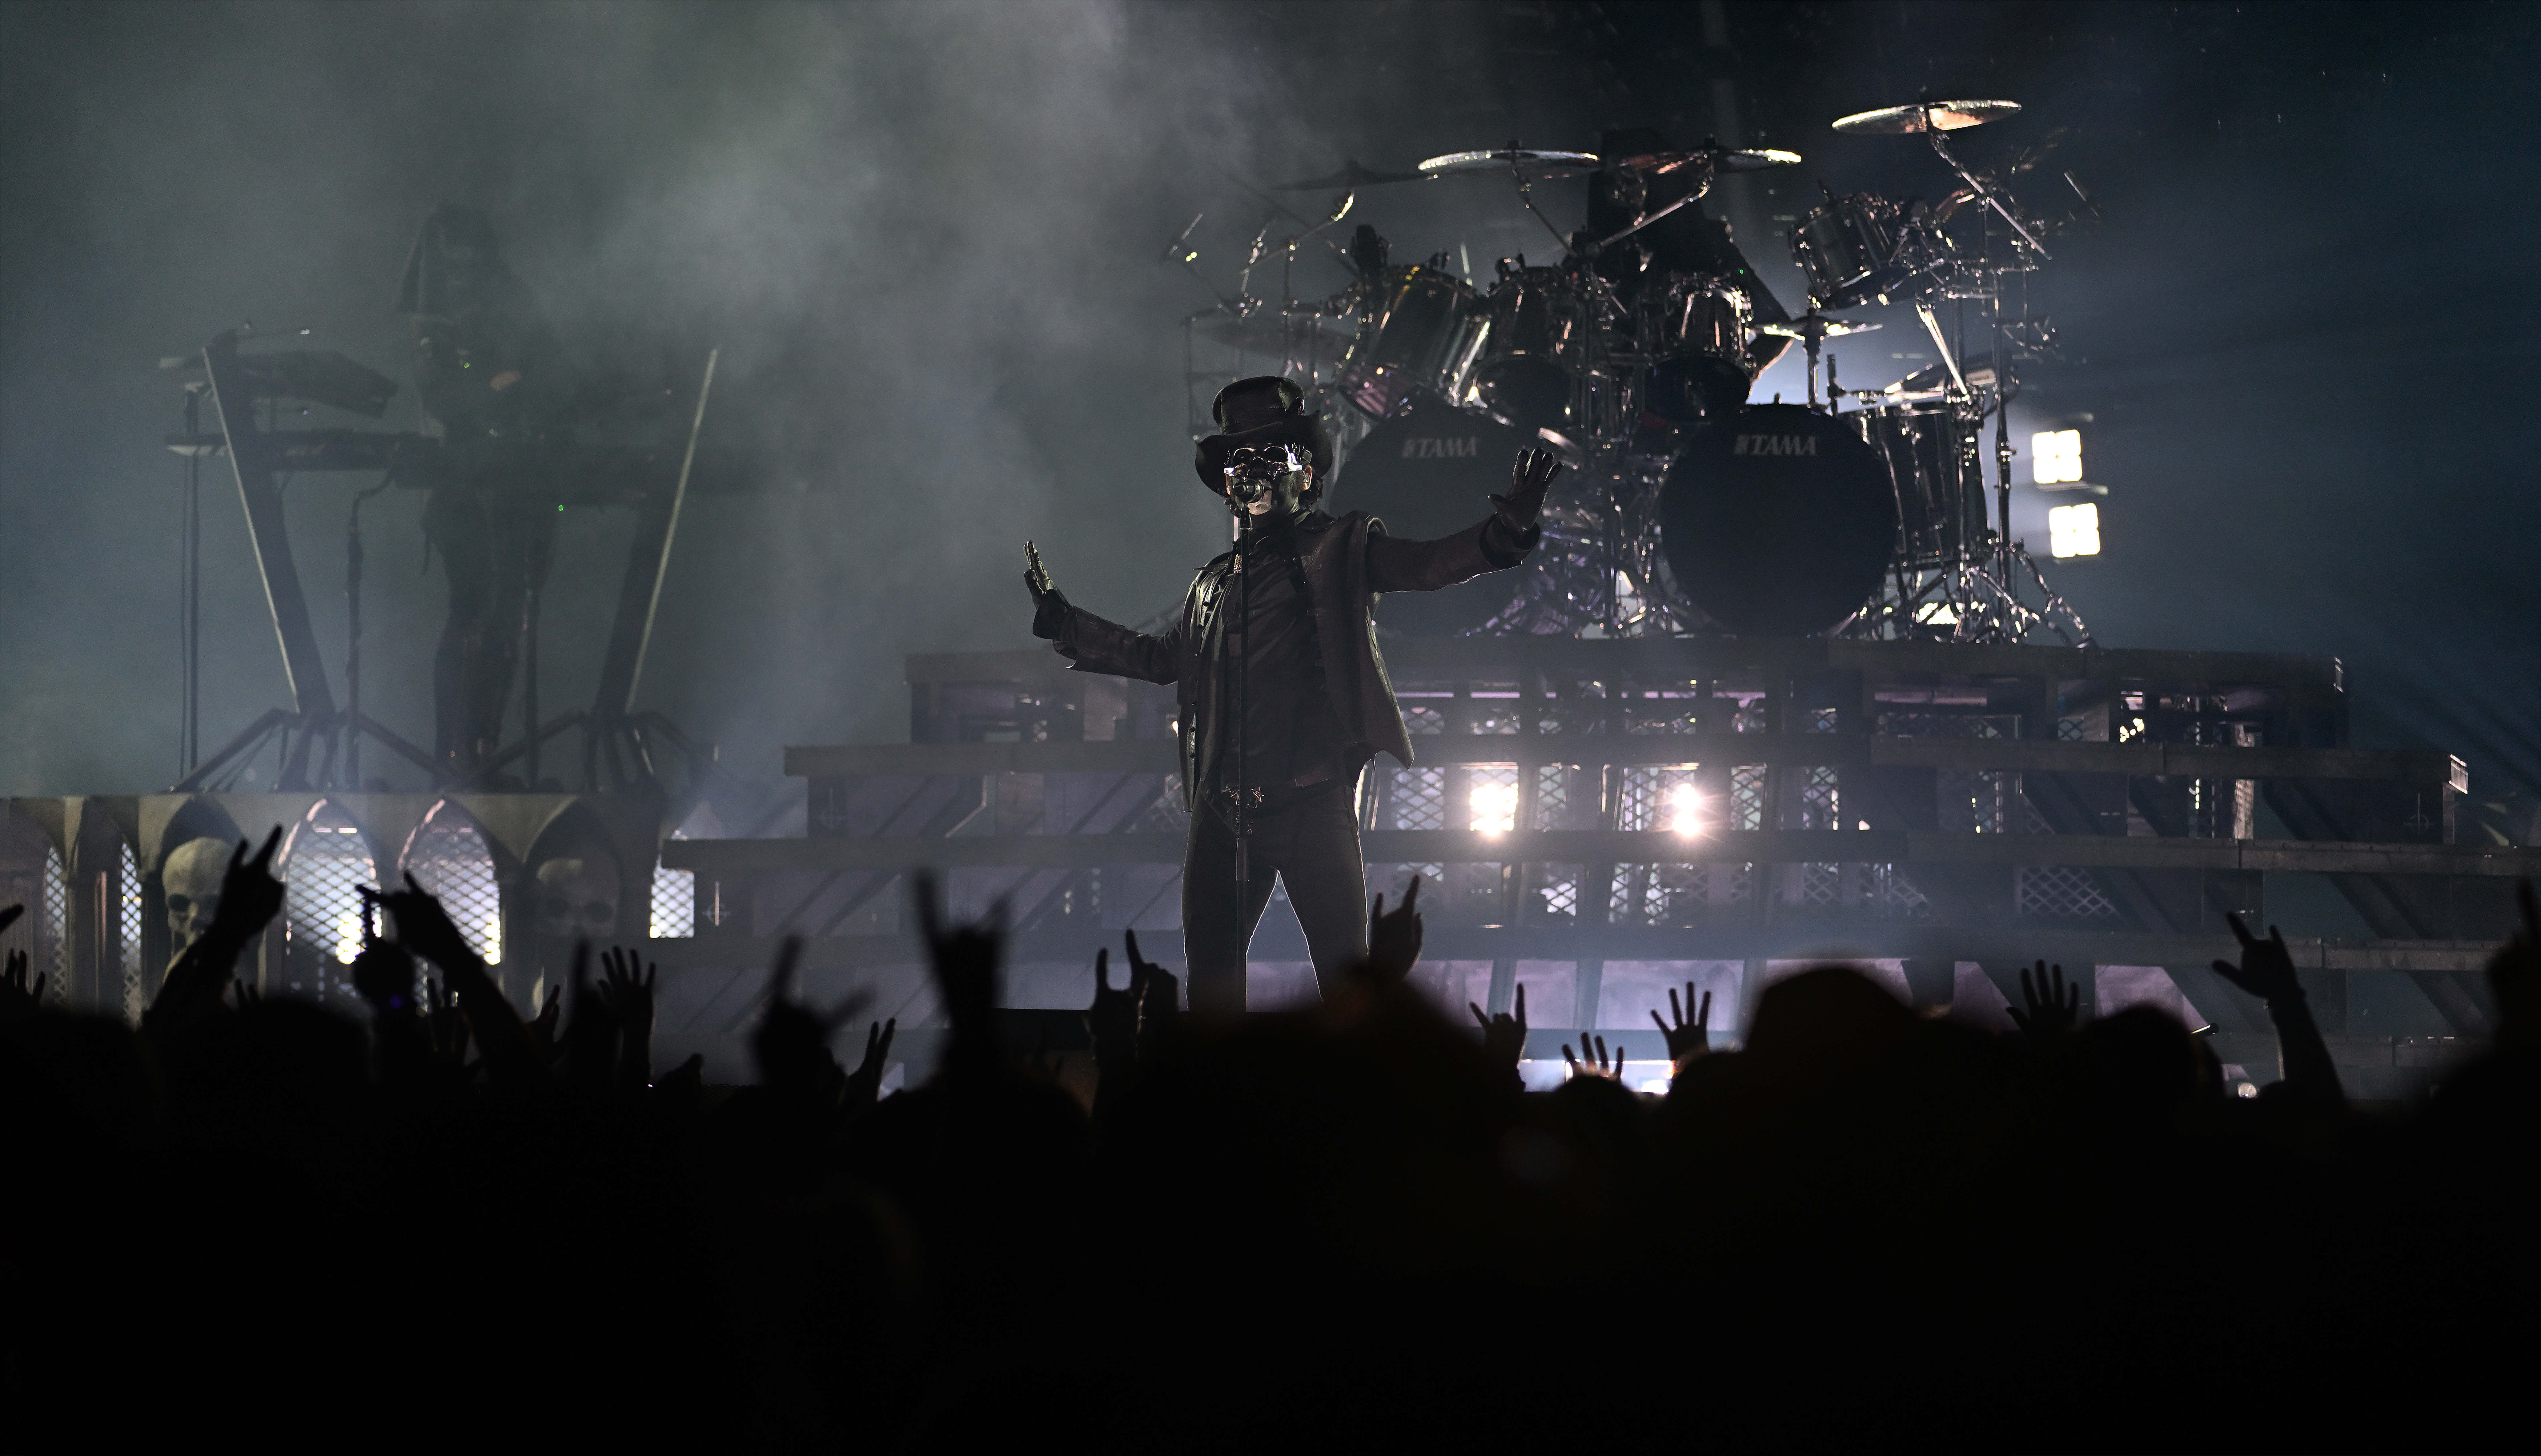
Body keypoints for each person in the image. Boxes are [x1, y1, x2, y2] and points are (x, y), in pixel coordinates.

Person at [1021, 377, 1560, 1015]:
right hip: (1223, 814)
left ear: (1306, 473)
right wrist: (1068, 622)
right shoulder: (1212, 585)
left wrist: (1504, 534)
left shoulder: (1341, 548)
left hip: (1311, 804)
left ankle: (1349, 1109)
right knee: (1213, 984)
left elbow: (1427, 565)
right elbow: (1161, 660)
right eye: (1239, 462)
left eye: (1271, 458)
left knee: (1345, 981)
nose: (1252, 474)